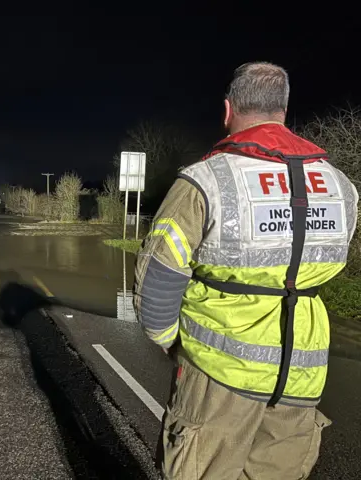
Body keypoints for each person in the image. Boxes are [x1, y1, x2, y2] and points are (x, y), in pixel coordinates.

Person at [133, 62, 358, 479]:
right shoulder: (340, 184)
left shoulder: (208, 179)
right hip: (301, 374)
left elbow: (159, 274)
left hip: (219, 373)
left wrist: (170, 342)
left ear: (227, 109)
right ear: (284, 110)